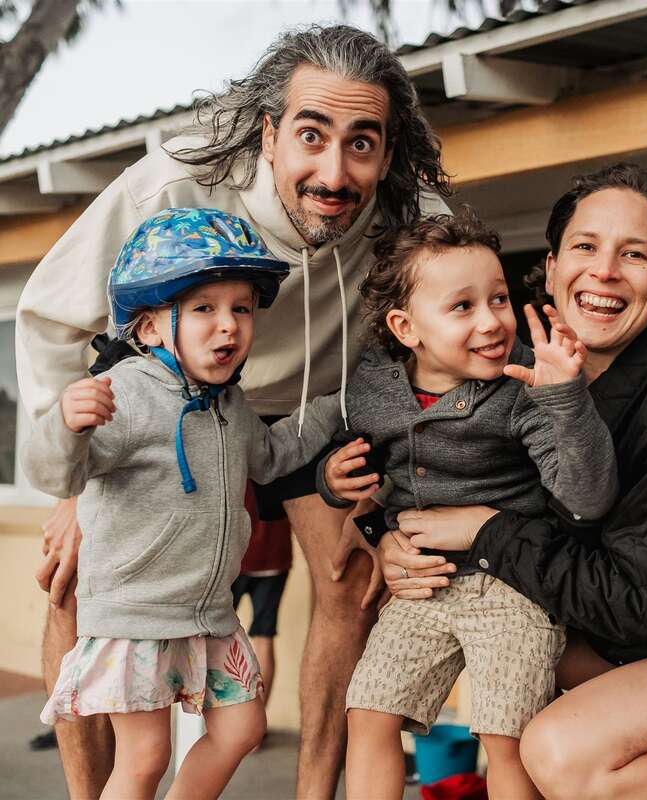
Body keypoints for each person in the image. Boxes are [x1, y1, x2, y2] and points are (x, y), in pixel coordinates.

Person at [16, 23, 449, 798]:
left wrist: (388, 484)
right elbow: (50, 319)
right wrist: (74, 480)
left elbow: (432, 351)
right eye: (311, 136)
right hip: (163, 388)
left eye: (361, 144)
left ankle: (315, 790)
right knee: (72, 572)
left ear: (386, 154)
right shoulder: (174, 185)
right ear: (270, 133)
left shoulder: (412, 223)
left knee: (351, 575)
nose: (334, 170)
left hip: (319, 405)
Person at [379, 164, 647, 798]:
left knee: (564, 749)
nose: (604, 270)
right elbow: (442, 485)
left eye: (634, 254)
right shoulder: (519, 381)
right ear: (551, 270)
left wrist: (486, 532)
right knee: (517, 654)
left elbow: (631, 603)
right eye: (585, 246)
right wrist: (396, 542)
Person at [22, 208, 344, 799]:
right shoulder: (126, 396)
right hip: (134, 617)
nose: (229, 327)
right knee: (143, 757)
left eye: (241, 308)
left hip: (207, 616)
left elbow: (271, 458)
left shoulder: (229, 402)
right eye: (204, 309)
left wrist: (337, 404)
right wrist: (65, 425)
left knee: (243, 725)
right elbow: (54, 471)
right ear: (148, 329)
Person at [316, 208, 618, 799]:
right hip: (423, 584)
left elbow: (587, 495)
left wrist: (567, 400)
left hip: (513, 587)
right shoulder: (373, 386)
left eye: (499, 299)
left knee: (506, 735)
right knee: (370, 712)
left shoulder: (524, 390)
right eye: (462, 306)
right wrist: (334, 479)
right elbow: (347, 463)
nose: (491, 321)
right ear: (407, 328)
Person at [232, 482, 294, 739]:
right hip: (275, 554)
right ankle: (256, 731)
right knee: (264, 638)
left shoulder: (236, 445)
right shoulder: (282, 451)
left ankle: (212, 725)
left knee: (209, 639)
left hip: (235, 556)